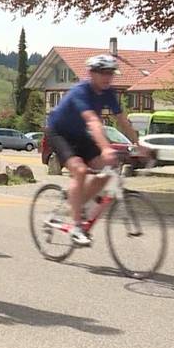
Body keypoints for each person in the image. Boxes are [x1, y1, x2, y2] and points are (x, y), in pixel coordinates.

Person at [45, 54, 146, 246]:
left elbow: (122, 120)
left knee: (108, 171)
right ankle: (76, 226)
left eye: (110, 73)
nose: (107, 77)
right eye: (103, 73)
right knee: (80, 171)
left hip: (80, 135)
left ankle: (78, 204)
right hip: (59, 133)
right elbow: (93, 121)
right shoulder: (80, 92)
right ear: (91, 73)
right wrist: (106, 148)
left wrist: (139, 144)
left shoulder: (108, 92)